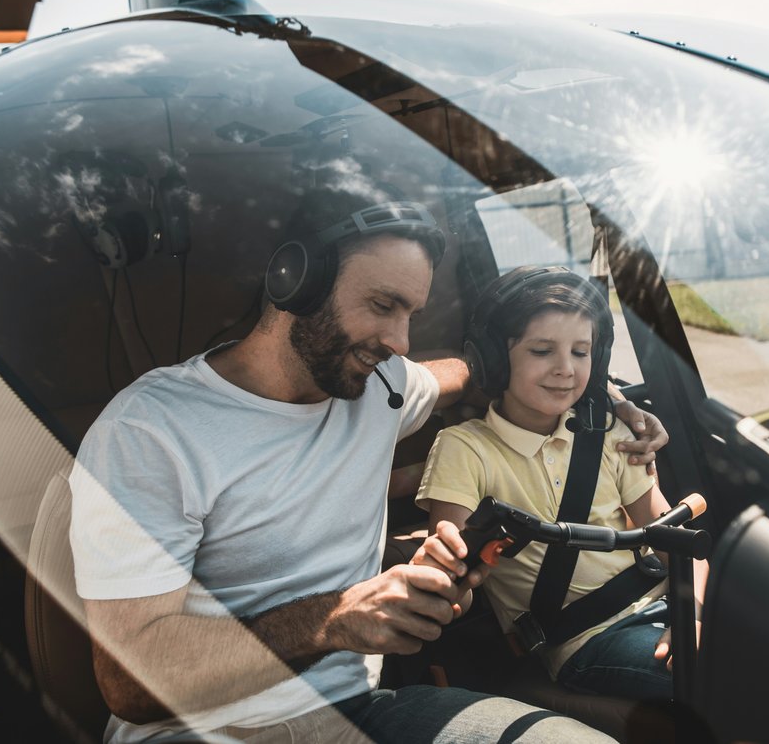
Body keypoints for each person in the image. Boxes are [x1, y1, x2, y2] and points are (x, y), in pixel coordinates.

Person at [68, 180, 668, 743]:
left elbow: (475, 373)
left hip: (361, 715)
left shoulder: (379, 384)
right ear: (293, 280)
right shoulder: (149, 431)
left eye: (410, 312)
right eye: (383, 304)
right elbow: (128, 683)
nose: (400, 340)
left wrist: (602, 396)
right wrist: (335, 619)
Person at [415, 267, 708, 702]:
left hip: (670, 606)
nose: (565, 370)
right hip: (587, 639)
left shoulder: (609, 433)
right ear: (494, 357)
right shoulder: (465, 449)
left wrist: (694, 616)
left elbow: (675, 541)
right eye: (541, 350)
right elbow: (453, 574)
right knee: (737, 680)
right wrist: (442, 576)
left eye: (581, 352)